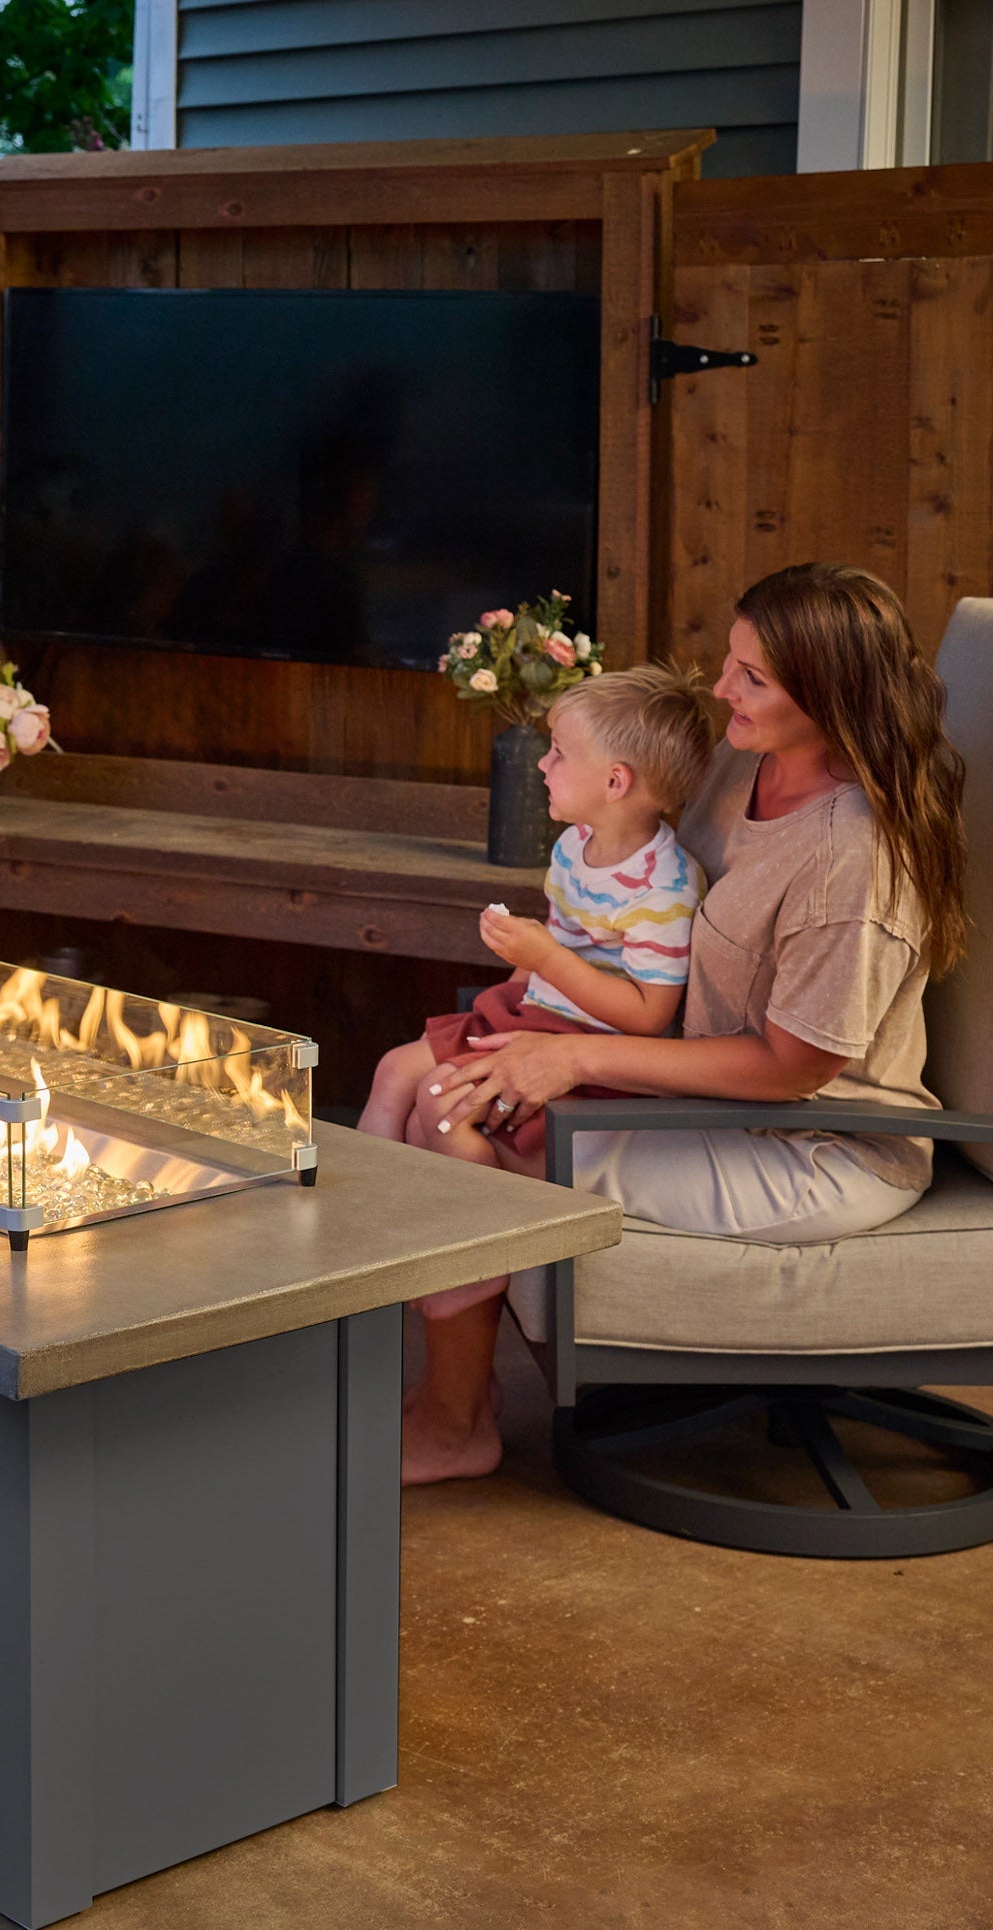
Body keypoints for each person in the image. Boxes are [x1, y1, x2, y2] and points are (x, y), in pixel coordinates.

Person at [404, 563, 969, 1486]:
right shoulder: (746, 768)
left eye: (752, 677)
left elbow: (795, 1071)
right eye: (730, 664)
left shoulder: (849, 861)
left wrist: (573, 1054)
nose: (721, 690)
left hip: (812, 1147)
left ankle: (454, 1423)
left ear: (827, 694)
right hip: (692, 1089)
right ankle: (447, 1401)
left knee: (462, 1130)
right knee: (432, 1092)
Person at [359, 661, 712, 1166]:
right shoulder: (575, 844)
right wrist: (510, 981)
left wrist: (544, 959)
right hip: (534, 1011)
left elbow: (649, 1017)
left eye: (559, 754)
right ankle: (358, 1208)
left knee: (437, 1103)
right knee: (396, 1071)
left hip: (587, 1046)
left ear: (615, 782)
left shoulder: (663, 892)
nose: (543, 765)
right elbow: (557, 933)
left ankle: (488, 1229)